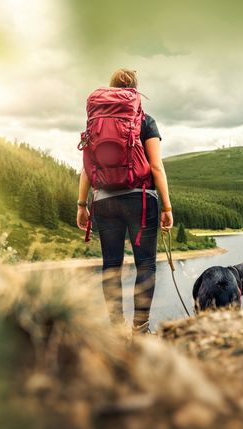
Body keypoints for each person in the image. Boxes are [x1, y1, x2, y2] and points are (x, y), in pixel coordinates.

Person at [76, 68, 173, 334]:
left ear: (110, 90)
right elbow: (156, 167)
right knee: (146, 265)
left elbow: (86, 166)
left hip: (104, 202)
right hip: (141, 201)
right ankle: (140, 330)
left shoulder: (95, 122)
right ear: (134, 91)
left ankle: (116, 329)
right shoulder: (145, 121)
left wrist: (81, 204)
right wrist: (166, 206)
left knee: (111, 266)